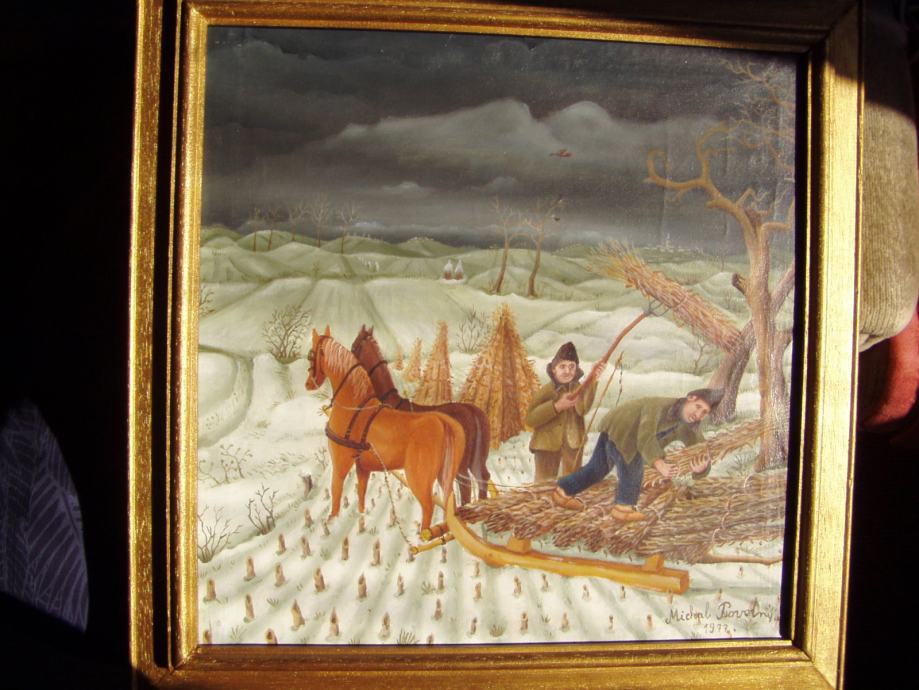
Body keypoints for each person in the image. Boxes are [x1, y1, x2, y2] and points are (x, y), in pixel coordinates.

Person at [551, 388, 723, 521]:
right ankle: (623, 508)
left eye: (704, 413)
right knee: (632, 466)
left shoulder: (688, 424)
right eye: (698, 407)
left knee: (597, 469)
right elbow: (644, 437)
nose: (698, 414)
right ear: (690, 397)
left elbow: (700, 450)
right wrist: (659, 463)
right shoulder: (658, 406)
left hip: (623, 432)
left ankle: (563, 491)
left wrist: (701, 469)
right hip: (623, 428)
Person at [526, 342, 604, 482]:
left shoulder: (578, 388)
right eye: (562, 366)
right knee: (543, 485)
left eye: (571, 366)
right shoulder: (546, 391)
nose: (567, 371)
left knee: (571, 484)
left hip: (573, 444)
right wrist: (556, 407)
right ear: (554, 369)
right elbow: (530, 419)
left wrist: (593, 380)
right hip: (546, 445)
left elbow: (583, 409)